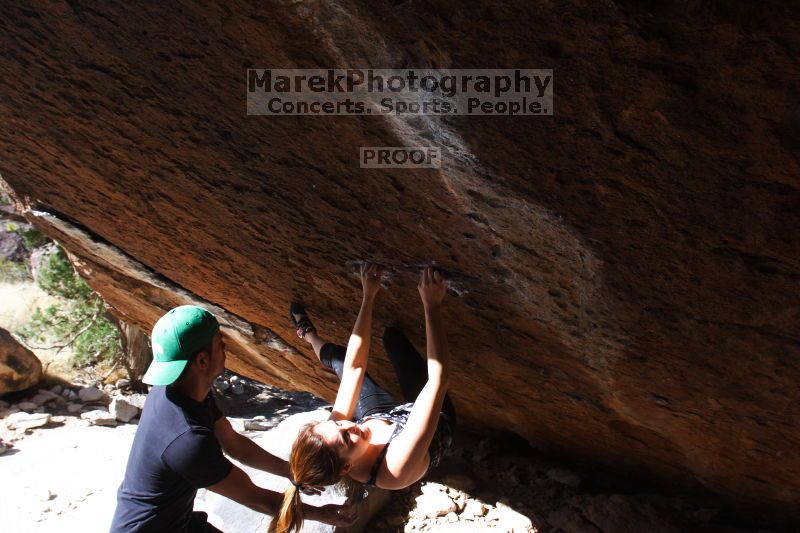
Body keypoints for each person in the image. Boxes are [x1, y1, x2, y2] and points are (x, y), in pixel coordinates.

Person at [110, 305, 356, 532]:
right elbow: (256, 499)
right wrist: (321, 514)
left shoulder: (176, 389)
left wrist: (290, 472)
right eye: (219, 341)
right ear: (202, 360)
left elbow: (234, 444)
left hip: (173, 522)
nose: (225, 345)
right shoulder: (189, 440)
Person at [270, 264, 455, 533]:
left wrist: (368, 296)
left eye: (335, 423)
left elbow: (355, 367)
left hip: (388, 417)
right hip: (435, 419)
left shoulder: (337, 436)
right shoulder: (395, 467)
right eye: (345, 436)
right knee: (395, 343)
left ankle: (308, 336)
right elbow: (438, 380)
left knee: (351, 359)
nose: (346, 423)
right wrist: (431, 305)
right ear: (346, 468)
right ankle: (394, 342)